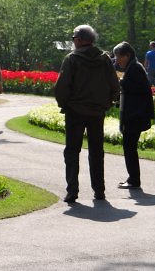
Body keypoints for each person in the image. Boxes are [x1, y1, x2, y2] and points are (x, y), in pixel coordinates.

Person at [54, 25, 120, 203]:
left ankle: (72, 191)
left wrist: (64, 104)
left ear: (80, 40)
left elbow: (62, 86)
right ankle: (99, 190)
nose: (73, 40)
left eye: (74, 37)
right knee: (97, 151)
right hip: (97, 111)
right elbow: (114, 84)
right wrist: (107, 103)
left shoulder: (72, 59)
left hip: (75, 111)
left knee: (72, 151)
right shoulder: (104, 59)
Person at [113, 42, 155, 189]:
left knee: (129, 147)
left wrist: (121, 81)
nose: (117, 60)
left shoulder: (135, 68)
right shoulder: (134, 67)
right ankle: (133, 178)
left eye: (119, 56)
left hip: (135, 115)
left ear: (127, 55)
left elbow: (138, 89)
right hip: (134, 114)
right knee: (129, 147)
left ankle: (133, 180)